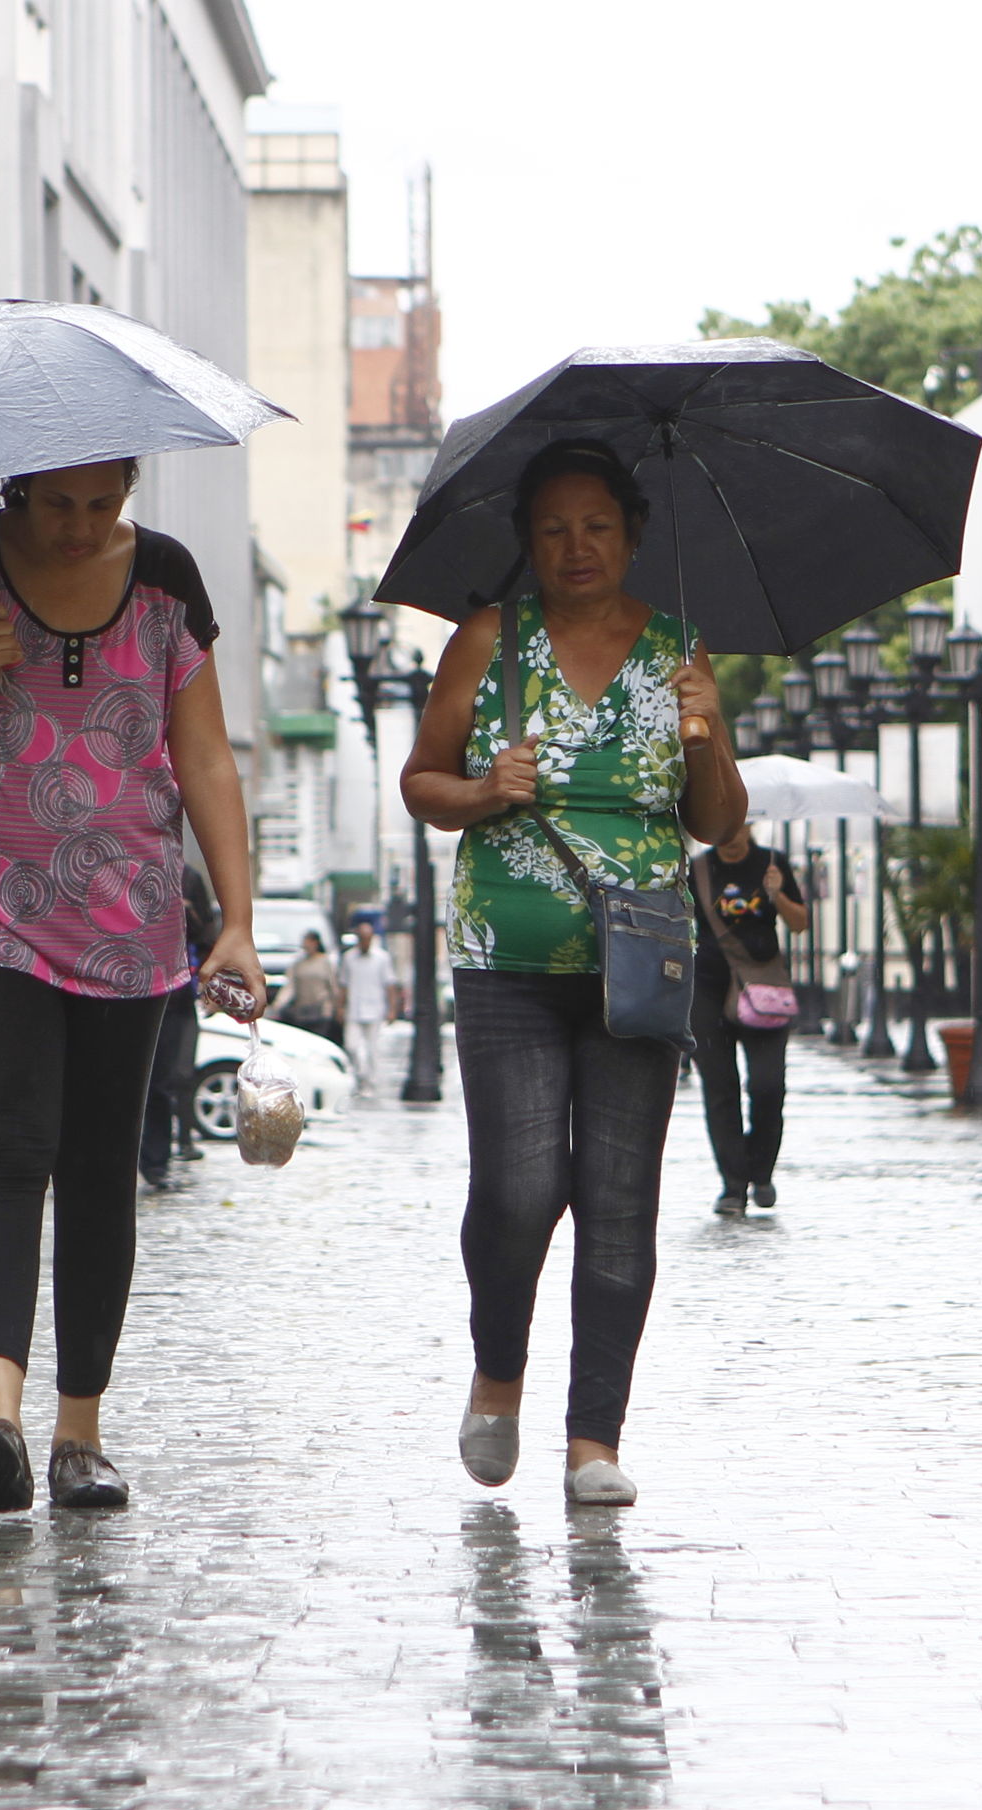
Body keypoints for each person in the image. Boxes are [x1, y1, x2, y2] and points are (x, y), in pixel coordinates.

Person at [0, 455, 261, 1515]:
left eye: (105, 503)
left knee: (97, 1168)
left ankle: (80, 1435)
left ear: (129, 483)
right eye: (58, 505)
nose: (82, 528)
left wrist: (239, 922)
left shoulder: (169, 583)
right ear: (16, 489)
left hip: (128, 915)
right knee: (4, 1151)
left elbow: (207, 757)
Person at [404, 438, 742, 1508]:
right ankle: (497, 1369)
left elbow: (715, 822)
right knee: (515, 1188)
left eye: (597, 525)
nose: (576, 545)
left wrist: (707, 730)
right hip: (506, 954)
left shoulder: (681, 652)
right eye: (552, 528)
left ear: (633, 534)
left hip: (637, 957)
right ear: (527, 542)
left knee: (617, 1199)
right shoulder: (491, 641)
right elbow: (422, 781)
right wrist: (484, 788)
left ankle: (593, 1436)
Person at [688, 825, 808, 1216]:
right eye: (722, 830)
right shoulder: (699, 870)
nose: (730, 838)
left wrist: (777, 894)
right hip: (708, 990)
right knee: (720, 1089)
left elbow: (800, 922)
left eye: (736, 828)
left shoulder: (772, 863)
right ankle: (733, 1185)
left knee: (768, 1085)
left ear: (748, 826)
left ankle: (762, 1172)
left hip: (762, 990)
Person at [141, 861, 222, 1190]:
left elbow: (207, 938)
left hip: (175, 995)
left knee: (169, 1079)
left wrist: (187, 913)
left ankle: (157, 1160)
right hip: (127, 987)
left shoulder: (190, 878)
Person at [339, 918, 392, 1094]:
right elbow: (344, 984)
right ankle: (360, 1076)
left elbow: (389, 984)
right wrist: (340, 1006)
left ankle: (371, 1081)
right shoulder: (349, 958)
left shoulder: (382, 958)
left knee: (373, 1048)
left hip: (375, 1007)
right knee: (352, 1046)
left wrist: (391, 1008)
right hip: (354, 1007)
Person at [276, 930, 344, 1044]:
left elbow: (333, 987)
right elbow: (290, 987)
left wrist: (337, 1008)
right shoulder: (299, 964)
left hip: (321, 1010)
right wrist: (278, 1004)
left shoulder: (326, 963)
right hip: (302, 1011)